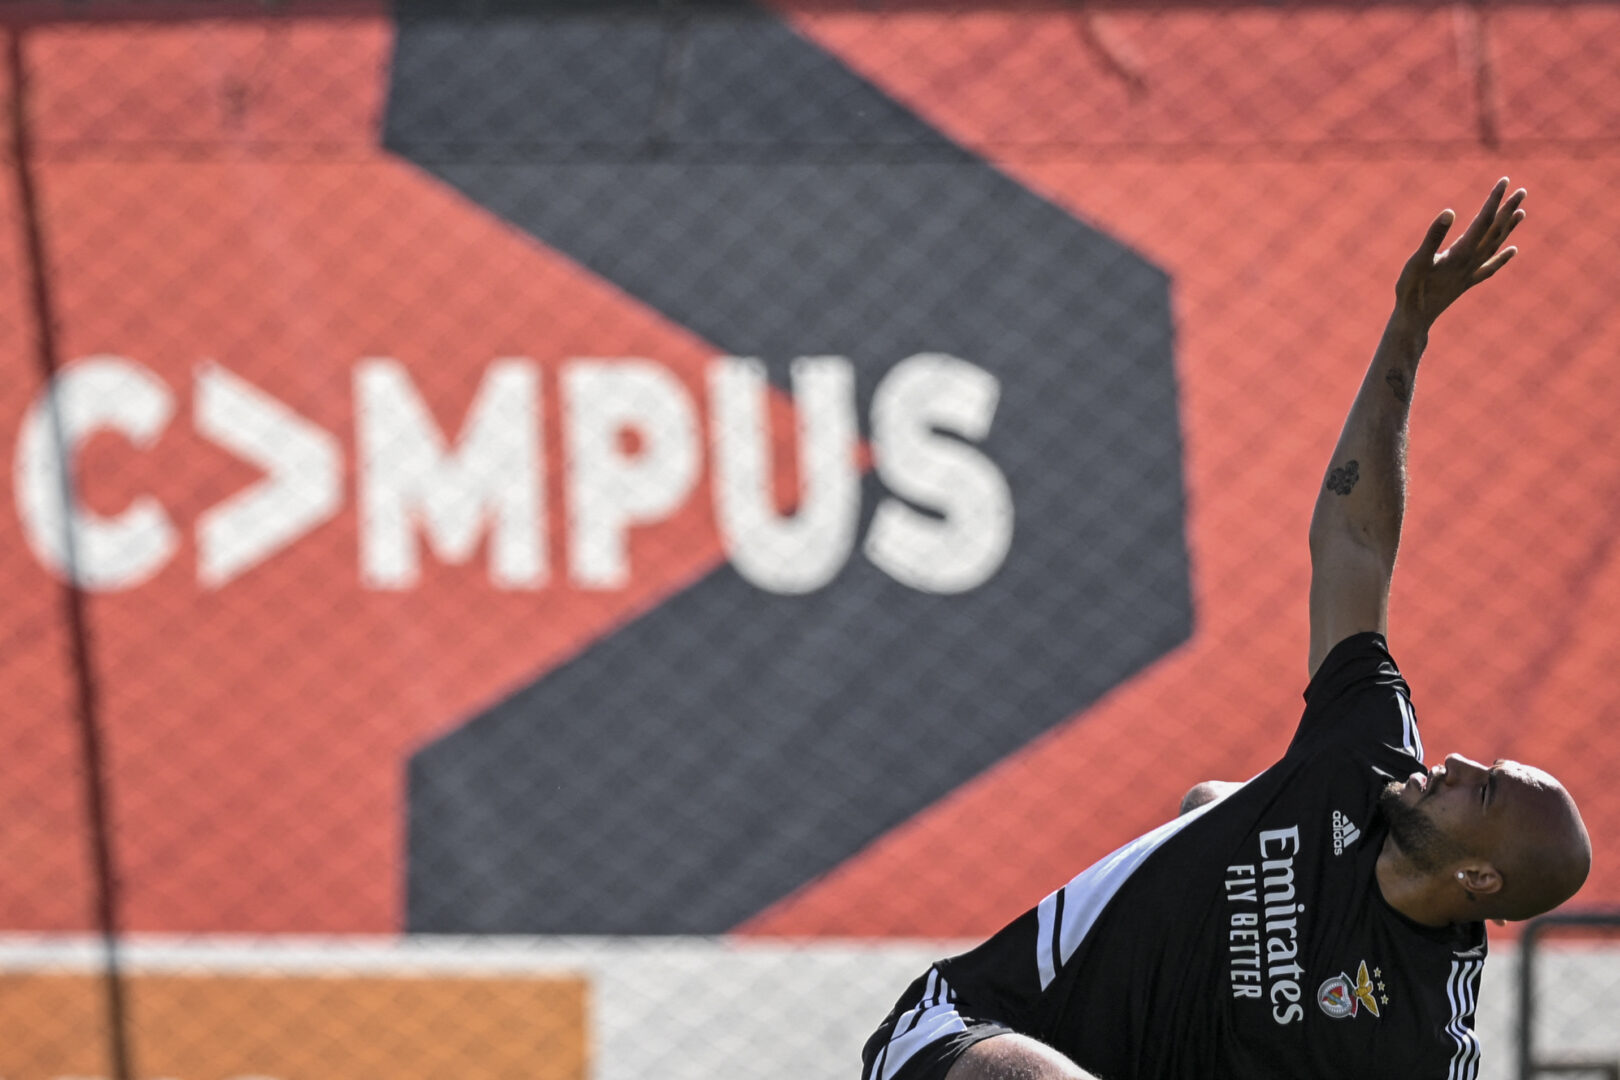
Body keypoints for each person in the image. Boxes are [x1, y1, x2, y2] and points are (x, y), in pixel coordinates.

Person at [859, 178, 1592, 1080]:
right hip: (963, 1027)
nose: (1461, 765)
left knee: (1213, 801)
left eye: (1482, 794)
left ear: (1478, 881)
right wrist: (1410, 329)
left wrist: (1220, 823)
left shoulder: (1419, 1043)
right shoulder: (1363, 753)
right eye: (1485, 768)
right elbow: (1354, 545)